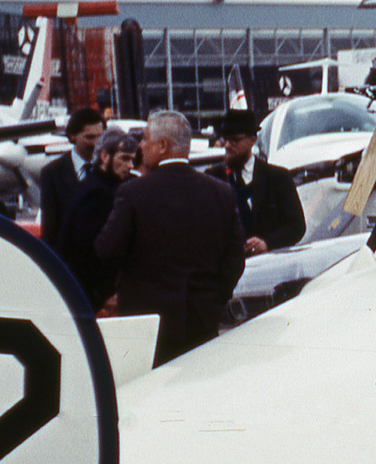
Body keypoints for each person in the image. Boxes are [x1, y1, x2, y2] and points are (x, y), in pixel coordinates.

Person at [95, 111, 245, 366]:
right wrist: (214, 298)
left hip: (147, 324)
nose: (140, 146)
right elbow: (235, 259)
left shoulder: (132, 192)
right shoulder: (221, 192)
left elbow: (106, 249)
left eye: (145, 139)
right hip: (203, 319)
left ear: (162, 145)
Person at [205, 109, 306, 256]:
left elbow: (296, 226)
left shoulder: (278, 177)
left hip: (269, 266)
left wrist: (267, 243)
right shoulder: (212, 178)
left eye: (234, 140)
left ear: (252, 140)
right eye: (224, 140)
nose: (227, 146)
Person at [57, 129, 138, 310]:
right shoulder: (99, 193)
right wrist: (102, 295)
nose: (130, 165)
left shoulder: (92, 185)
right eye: (124, 158)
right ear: (104, 156)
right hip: (89, 296)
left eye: (132, 159)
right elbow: (90, 251)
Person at [39, 107, 105, 246]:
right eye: (89, 137)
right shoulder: (52, 174)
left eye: (100, 137)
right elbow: (50, 228)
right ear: (72, 136)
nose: (96, 143)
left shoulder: (110, 170)